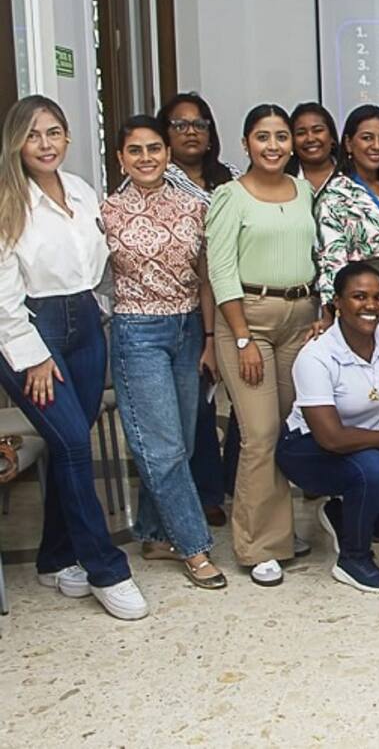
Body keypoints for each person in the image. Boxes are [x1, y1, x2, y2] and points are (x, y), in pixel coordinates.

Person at [0, 95, 147, 619]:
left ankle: (54, 557)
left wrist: (100, 308)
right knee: (73, 446)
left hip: (85, 324)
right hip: (32, 333)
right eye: (34, 134)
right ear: (17, 141)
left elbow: (103, 260)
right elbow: (3, 295)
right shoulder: (6, 201)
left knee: (70, 445)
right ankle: (105, 567)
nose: (46, 144)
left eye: (55, 132)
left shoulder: (81, 191)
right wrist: (33, 357)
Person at [101, 115, 225, 590]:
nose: (147, 158)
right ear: (121, 158)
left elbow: (207, 277)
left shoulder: (195, 207)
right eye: (135, 150)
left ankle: (153, 533)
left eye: (154, 148)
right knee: (163, 447)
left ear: (168, 154)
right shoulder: (106, 212)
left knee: (184, 443)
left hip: (190, 328)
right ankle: (195, 548)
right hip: (138, 331)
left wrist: (211, 339)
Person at [207, 103, 321, 586]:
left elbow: (317, 254)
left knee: (291, 425)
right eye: (262, 137)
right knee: (259, 431)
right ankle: (258, 546)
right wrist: (239, 337)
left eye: (280, 136)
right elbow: (220, 270)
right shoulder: (230, 196)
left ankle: (277, 529)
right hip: (247, 322)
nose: (273, 145)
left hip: (300, 319)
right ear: (245, 144)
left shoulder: (304, 191)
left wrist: (321, 315)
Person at [276, 262, 379, 593]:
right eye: (359, 297)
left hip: (366, 445)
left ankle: (340, 515)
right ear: (337, 304)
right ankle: (353, 559)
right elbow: (330, 437)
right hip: (308, 448)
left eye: (378, 297)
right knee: (374, 469)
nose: (371, 306)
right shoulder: (316, 355)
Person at [158, 91, 240, 526]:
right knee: (199, 406)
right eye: (180, 125)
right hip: (184, 310)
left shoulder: (232, 179)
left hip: (238, 303)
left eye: (200, 124)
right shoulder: (156, 180)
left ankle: (233, 483)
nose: (191, 132)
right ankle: (203, 493)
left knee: (248, 404)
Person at [316, 104, 379, 323]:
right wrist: (329, 312)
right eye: (367, 138)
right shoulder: (336, 194)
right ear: (349, 143)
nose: (377, 146)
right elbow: (332, 259)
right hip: (362, 296)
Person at [286, 101, 339, 197]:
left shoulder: (352, 177)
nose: (310, 139)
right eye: (301, 133)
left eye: (317, 130)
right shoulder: (283, 179)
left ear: (332, 137)